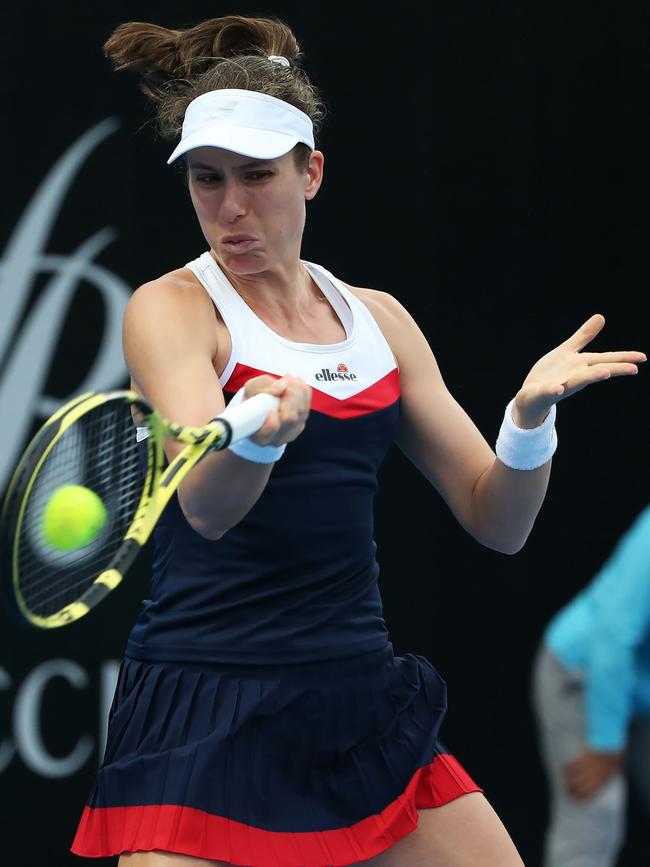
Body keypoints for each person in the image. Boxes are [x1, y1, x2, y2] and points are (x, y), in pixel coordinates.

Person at [70, 14, 645, 867]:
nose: (230, 208)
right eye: (205, 179)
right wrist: (259, 439)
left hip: (356, 703)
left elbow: (500, 520)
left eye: (257, 176)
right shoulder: (172, 309)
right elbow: (207, 504)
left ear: (312, 172)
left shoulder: (379, 321)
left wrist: (528, 422)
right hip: (205, 705)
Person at [532, 505, 650, 867]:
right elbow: (615, 635)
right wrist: (604, 742)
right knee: (594, 817)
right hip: (582, 675)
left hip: (641, 692)